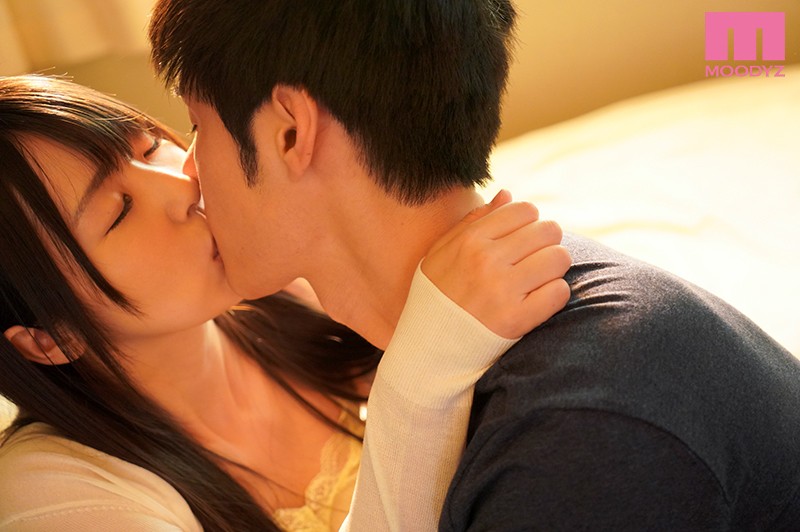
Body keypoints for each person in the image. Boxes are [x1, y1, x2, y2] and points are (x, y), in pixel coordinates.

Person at [147, 0, 800, 530]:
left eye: (198, 127)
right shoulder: (449, 370)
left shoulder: (577, 434)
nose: (189, 174)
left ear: (290, 132)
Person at [0, 75, 570, 531]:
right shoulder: (52, 495)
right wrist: (422, 372)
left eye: (149, 146)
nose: (183, 185)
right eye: (119, 211)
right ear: (48, 338)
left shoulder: (292, 292)